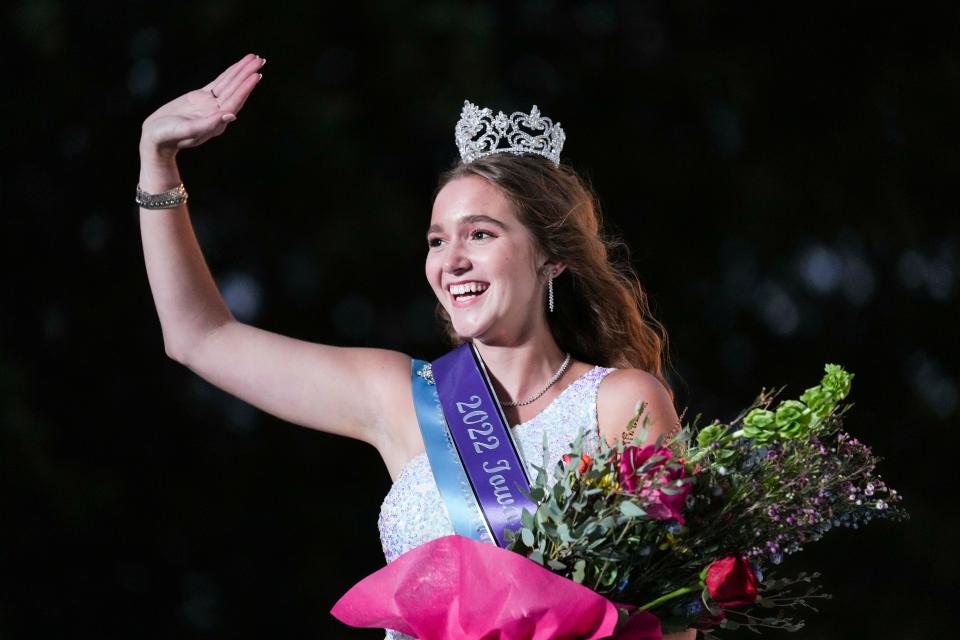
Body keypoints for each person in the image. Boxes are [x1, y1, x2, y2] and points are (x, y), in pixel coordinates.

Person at [138, 53, 696, 640]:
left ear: (552, 256)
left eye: (480, 233)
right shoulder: (404, 398)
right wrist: (158, 160)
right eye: (437, 240)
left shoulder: (620, 404)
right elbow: (199, 337)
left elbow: (675, 623)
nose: (451, 260)